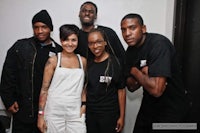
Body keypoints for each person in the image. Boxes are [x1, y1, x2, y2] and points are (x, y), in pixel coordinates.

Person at [120, 13, 189, 133]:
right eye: (123, 30)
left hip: (171, 109)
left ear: (143, 28)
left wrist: (134, 71)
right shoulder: (130, 51)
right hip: (149, 106)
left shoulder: (159, 45)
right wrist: (143, 74)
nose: (127, 34)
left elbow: (156, 90)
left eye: (132, 28)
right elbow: (131, 86)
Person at [0, 10, 62, 133]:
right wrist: (9, 100)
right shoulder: (20, 47)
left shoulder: (59, 51)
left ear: (50, 28)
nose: (40, 31)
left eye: (43, 27)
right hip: (23, 109)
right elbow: (8, 74)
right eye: (36, 27)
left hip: (49, 111)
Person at [37, 24, 87, 133]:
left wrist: (84, 105)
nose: (70, 43)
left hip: (75, 111)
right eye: (66, 40)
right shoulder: (53, 61)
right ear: (61, 40)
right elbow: (44, 89)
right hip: (54, 111)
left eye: (73, 40)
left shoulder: (82, 61)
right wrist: (40, 115)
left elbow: (84, 86)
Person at [86, 28, 126, 133]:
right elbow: (85, 89)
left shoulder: (116, 63)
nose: (95, 46)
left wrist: (122, 117)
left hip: (110, 115)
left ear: (105, 42)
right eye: (91, 43)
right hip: (90, 115)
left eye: (99, 42)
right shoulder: (88, 64)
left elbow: (121, 91)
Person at [75, 1, 125, 65]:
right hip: (86, 73)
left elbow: (122, 57)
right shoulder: (75, 36)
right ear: (79, 14)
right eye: (84, 11)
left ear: (95, 16)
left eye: (91, 12)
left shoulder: (108, 32)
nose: (87, 13)